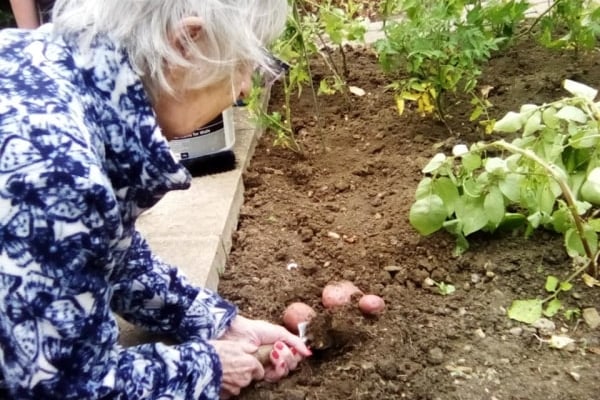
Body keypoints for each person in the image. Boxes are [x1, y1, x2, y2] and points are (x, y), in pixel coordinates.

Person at [0, 0, 311, 399]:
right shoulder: (52, 169)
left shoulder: (45, 65)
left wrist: (217, 321)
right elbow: (60, 385)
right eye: (243, 64)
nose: (245, 89)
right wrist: (206, 368)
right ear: (187, 44)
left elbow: (91, 250)